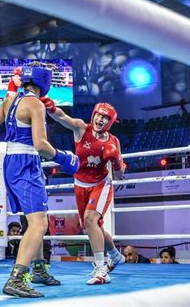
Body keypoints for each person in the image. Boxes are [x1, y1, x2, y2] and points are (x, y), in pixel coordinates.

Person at [0, 65, 79, 298]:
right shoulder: (35, 104)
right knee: (39, 224)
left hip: (11, 163)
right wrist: (64, 157)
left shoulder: (9, 101)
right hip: (26, 163)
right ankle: (17, 279)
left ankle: (37, 269)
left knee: (35, 218)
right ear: (44, 83)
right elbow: (40, 145)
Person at [39, 98, 126, 285]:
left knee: (90, 219)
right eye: (99, 115)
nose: (100, 120)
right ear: (93, 115)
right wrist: (50, 106)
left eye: (105, 118)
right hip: (80, 185)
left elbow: (120, 174)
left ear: (110, 122)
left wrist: (117, 162)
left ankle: (101, 269)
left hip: (101, 185)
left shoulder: (114, 141)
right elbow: (62, 117)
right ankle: (115, 255)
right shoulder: (81, 128)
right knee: (94, 226)